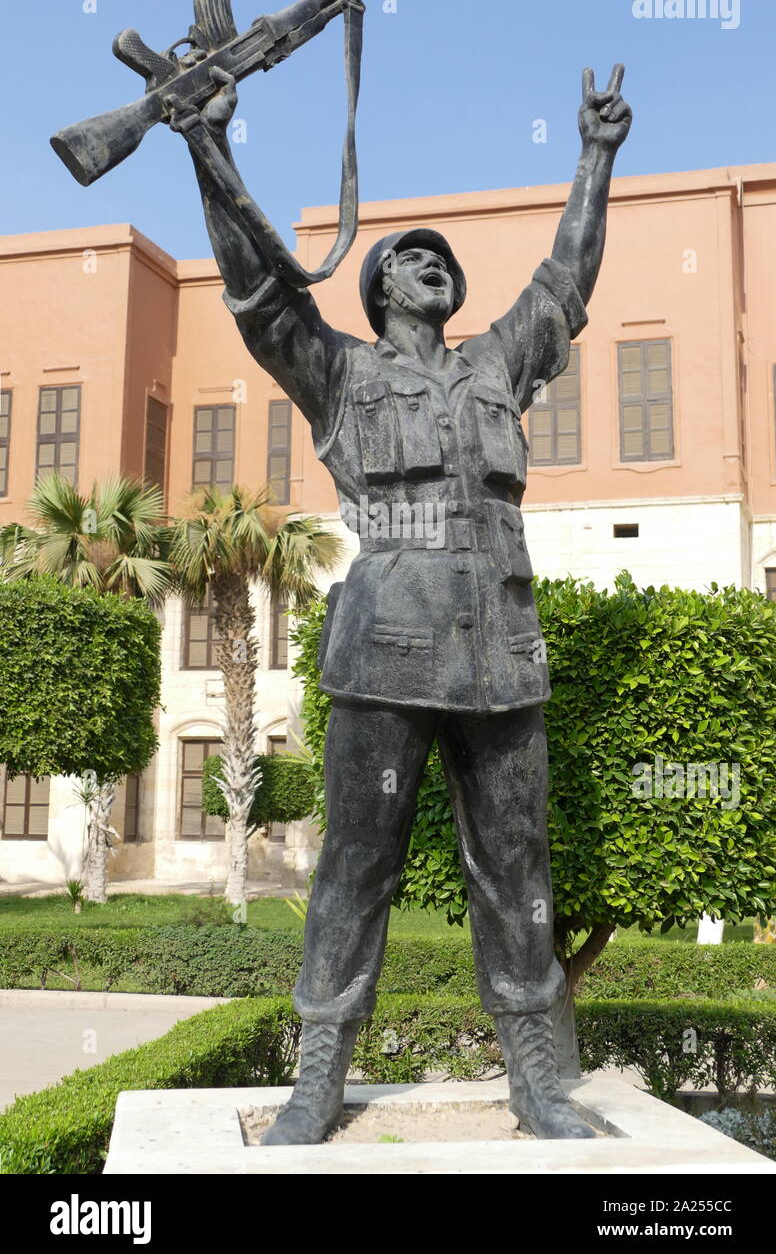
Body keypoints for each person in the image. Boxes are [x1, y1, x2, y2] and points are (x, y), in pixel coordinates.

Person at [170, 62, 632, 1144]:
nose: (429, 267)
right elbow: (255, 297)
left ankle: (532, 1072)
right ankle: (319, 1068)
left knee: (515, 867)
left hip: (499, 654)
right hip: (384, 649)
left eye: (439, 262)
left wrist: (593, 158)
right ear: (379, 288)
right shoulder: (340, 376)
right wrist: (208, 147)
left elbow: (564, 281)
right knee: (355, 865)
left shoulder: (493, 370)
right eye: (409, 259)